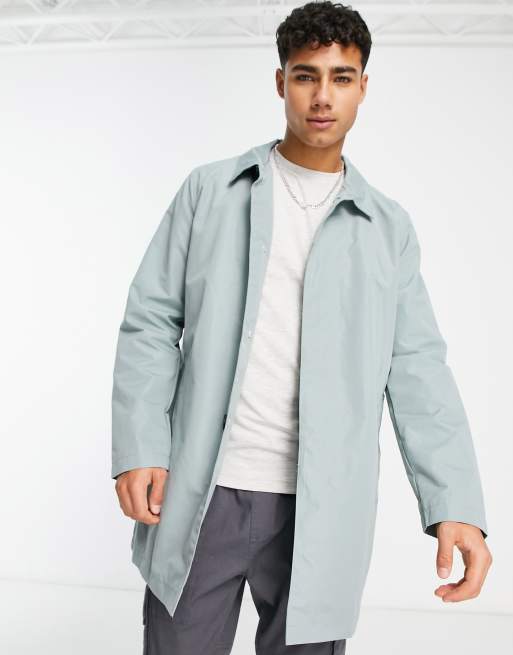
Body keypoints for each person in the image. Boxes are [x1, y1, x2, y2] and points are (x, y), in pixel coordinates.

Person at [111, 2, 492, 653]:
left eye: (341, 78)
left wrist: (455, 505)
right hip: (202, 491)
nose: (322, 96)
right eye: (305, 75)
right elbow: (151, 321)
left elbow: (418, 370)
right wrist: (140, 443)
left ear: (363, 87)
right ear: (280, 81)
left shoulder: (387, 229)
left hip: (321, 511)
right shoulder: (210, 192)